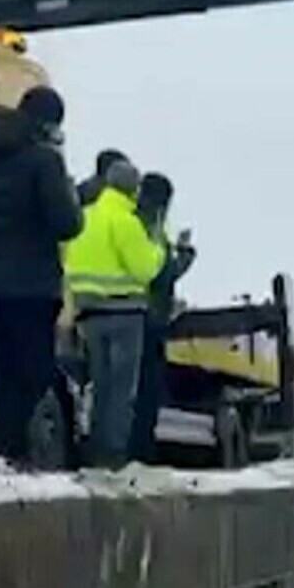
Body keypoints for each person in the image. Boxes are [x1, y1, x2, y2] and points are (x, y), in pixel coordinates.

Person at [0, 85, 83, 467]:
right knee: (34, 371)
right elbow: (65, 224)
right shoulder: (43, 161)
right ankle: (24, 450)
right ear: (46, 122)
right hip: (36, 285)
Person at [64, 159, 166, 468]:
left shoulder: (86, 217)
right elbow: (146, 268)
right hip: (125, 313)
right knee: (122, 390)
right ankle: (114, 454)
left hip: (89, 314)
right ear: (132, 188)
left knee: (100, 386)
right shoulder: (126, 221)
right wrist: (159, 247)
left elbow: (70, 265)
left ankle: (94, 449)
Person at [128, 171, 198, 463]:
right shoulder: (150, 228)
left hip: (128, 313)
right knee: (146, 390)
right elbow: (162, 274)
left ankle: (132, 448)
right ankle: (141, 451)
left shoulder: (133, 220)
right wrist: (184, 254)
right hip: (149, 318)